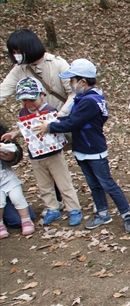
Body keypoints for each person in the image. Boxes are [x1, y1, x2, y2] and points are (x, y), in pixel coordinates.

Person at [35, 59, 130, 233]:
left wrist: (50, 126)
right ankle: (103, 213)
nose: (70, 84)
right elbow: (71, 119)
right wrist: (56, 120)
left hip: (94, 150)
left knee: (107, 183)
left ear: (83, 81)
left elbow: (74, 123)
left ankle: (126, 214)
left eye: (72, 81)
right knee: (93, 183)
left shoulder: (90, 101)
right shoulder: (82, 99)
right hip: (82, 149)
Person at [1, 29, 75, 215]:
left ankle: (91, 201)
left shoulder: (57, 64)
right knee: (47, 165)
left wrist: (59, 116)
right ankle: (55, 204)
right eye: (13, 51)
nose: (16, 55)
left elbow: (73, 93)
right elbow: (3, 91)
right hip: (40, 133)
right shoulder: (20, 69)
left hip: (65, 123)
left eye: (18, 50)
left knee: (82, 160)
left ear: (29, 47)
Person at [7, 77, 82, 226]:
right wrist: (16, 133)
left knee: (63, 182)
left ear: (42, 94)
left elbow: (58, 127)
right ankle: (52, 209)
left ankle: (74, 209)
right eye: (24, 100)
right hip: (35, 155)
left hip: (53, 154)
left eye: (31, 99)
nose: (28, 103)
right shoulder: (23, 112)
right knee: (44, 185)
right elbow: (27, 128)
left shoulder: (50, 111)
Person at [0, 120, 35, 238]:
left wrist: (10, 156)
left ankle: (25, 220)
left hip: (5, 180)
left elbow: (13, 148)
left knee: (18, 219)